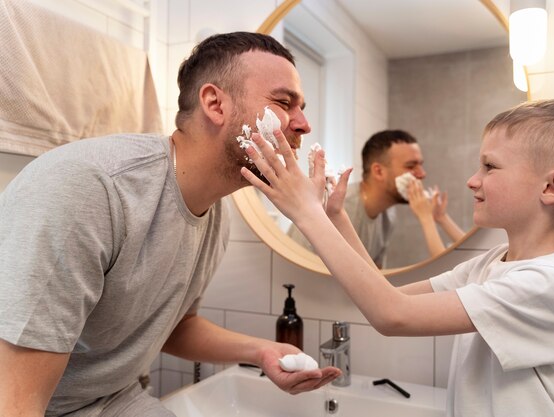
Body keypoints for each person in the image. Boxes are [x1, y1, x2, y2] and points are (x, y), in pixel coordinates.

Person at [0, 32, 340, 417]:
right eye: (283, 102)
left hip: (111, 399)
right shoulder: (90, 188)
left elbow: (175, 327)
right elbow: (15, 401)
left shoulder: (215, 214)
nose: (304, 124)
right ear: (214, 103)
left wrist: (261, 351)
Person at [241, 99, 554, 416]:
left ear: (553, 186)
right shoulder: (494, 263)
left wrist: (307, 213)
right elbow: (390, 297)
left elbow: (392, 316)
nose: (473, 180)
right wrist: (335, 217)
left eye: (490, 166)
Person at [287, 129, 464, 268]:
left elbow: (375, 272)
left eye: (420, 166)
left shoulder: (389, 215)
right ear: (378, 171)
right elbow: (298, 263)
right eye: (411, 166)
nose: (422, 174)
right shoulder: (336, 207)